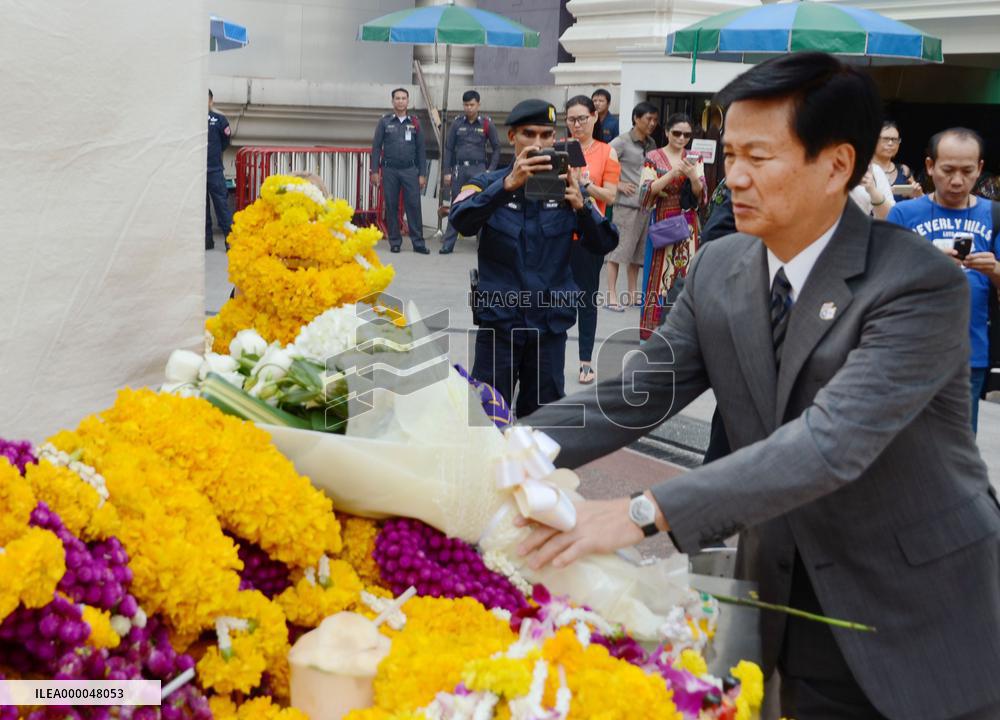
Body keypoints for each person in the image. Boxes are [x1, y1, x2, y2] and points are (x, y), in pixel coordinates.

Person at [521, 53, 1000, 720]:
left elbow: (830, 444)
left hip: (912, 605)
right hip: (782, 590)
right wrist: (513, 451)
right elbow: (640, 392)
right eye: (731, 152)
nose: (732, 177)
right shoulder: (721, 265)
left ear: (836, 165)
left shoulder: (919, 285)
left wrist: (640, 512)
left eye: (759, 157)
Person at [449, 99, 618, 419]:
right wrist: (505, 186)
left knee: (543, 420)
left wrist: (582, 207)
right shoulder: (487, 183)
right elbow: (460, 221)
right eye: (529, 134)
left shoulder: (570, 187)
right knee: (486, 415)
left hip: (548, 330)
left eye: (545, 135)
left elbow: (605, 242)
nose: (538, 143)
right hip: (499, 325)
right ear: (512, 137)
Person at [887, 127, 1000, 433]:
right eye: (948, 170)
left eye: (967, 171)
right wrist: (927, 267)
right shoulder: (903, 214)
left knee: (959, 446)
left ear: (979, 169)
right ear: (929, 166)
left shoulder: (994, 216)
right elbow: (882, 285)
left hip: (969, 352)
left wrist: (994, 271)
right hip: (910, 351)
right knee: (906, 444)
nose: (957, 180)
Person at [564, 95, 621, 385]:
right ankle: (551, 352)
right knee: (555, 297)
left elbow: (610, 195)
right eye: (571, 119)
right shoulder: (559, 150)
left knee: (586, 300)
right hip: (558, 234)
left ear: (594, 117)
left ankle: (585, 361)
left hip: (588, 237)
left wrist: (586, 185)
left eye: (582, 118)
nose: (577, 125)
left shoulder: (606, 152)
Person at [639, 112, 706, 340]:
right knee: (657, 278)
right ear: (666, 132)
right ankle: (650, 334)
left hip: (688, 225)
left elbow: (701, 194)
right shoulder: (653, 157)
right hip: (664, 222)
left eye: (687, 134)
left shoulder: (695, 158)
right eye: (677, 133)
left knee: (686, 277)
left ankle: (683, 333)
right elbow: (646, 191)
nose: (681, 138)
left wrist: (692, 177)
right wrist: (673, 173)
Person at [606, 102, 658, 312]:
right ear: (636, 118)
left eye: (655, 120)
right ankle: (611, 295)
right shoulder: (621, 142)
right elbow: (603, 165)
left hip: (645, 206)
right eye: (648, 119)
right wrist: (617, 184)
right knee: (618, 252)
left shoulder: (651, 143)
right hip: (625, 206)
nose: (652, 123)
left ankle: (633, 294)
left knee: (637, 254)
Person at [440, 90, 501, 254]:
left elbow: (496, 148)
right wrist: (447, 171)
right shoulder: (457, 123)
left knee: (481, 204)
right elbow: (448, 148)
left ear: (478, 105)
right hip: (460, 169)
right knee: (456, 204)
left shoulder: (486, 123)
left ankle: (482, 244)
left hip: (479, 169)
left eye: (472, 105)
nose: (469, 108)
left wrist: (490, 171)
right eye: (466, 105)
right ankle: (448, 244)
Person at [371, 88, 429, 254]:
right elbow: (376, 148)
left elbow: (421, 150)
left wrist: (422, 174)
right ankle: (395, 242)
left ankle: (418, 243)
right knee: (391, 205)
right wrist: (374, 170)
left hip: (410, 170)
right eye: (397, 98)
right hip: (389, 170)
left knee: (414, 206)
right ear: (392, 101)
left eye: (404, 98)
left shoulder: (415, 122)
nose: (401, 101)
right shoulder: (385, 122)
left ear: (408, 101)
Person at [206, 89, 232, 251]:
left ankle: (229, 239)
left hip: (214, 170)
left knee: (221, 206)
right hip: (199, 172)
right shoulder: (191, 121)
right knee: (202, 209)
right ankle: (206, 240)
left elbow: (225, 142)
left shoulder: (220, 120)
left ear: (211, 101)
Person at [873, 120, 922, 203]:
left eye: (895, 139)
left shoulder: (904, 170)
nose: (890, 143)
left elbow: (918, 202)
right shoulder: (863, 169)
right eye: (885, 139)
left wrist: (917, 195)